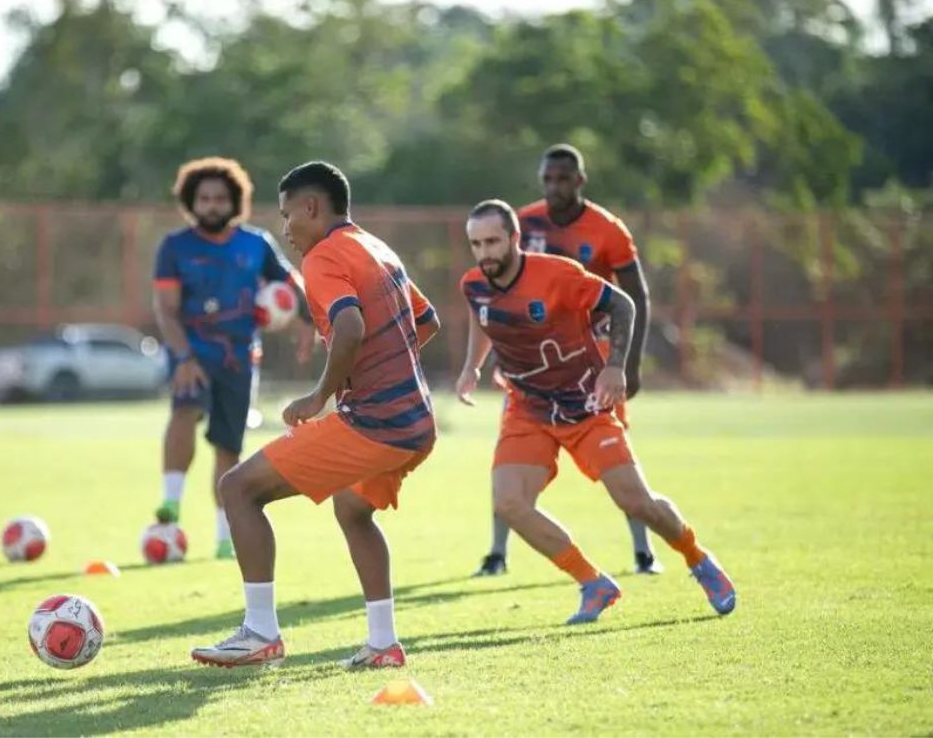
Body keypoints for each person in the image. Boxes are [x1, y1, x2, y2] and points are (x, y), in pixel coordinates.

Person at [190, 161, 439, 670]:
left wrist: (322, 394)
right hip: (416, 423)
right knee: (353, 510)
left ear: (311, 207)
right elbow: (426, 321)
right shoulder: (378, 248)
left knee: (238, 488)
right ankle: (383, 643)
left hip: (375, 424)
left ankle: (259, 632)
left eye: (287, 217)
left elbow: (348, 327)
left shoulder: (324, 257)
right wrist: (376, 372)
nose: (285, 231)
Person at [456, 199, 734, 623]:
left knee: (636, 501)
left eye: (493, 241)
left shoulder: (557, 275)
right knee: (509, 503)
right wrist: (471, 367)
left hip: (585, 402)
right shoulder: (474, 283)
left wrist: (615, 367)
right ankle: (593, 584)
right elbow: (481, 314)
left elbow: (622, 303)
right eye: (476, 244)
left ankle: (699, 560)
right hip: (527, 407)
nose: (485, 252)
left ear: (515, 238)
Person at [475, 144, 660, 577]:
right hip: (531, 369)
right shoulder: (522, 224)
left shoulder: (606, 230)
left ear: (580, 181)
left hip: (590, 365)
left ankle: (643, 550)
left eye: (563, 178)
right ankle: (497, 553)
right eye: (548, 179)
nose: (554, 186)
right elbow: (496, 290)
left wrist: (629, 362)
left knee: (619, 457)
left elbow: (636, 297)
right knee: (507, 456)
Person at [153, 157, 313, 559]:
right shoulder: (174, 247)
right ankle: (171, 499)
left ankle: (225, 536)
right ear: (192, 201)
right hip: (191, 349)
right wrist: (183, 357)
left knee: (229, 447)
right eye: (204, 198)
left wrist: (309, 322)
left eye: (220, 198)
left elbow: (293, 286)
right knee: (184, 410)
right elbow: (166, 310)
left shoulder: (256, 244)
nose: (212, 205)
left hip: (239, 357)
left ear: (234, 201)